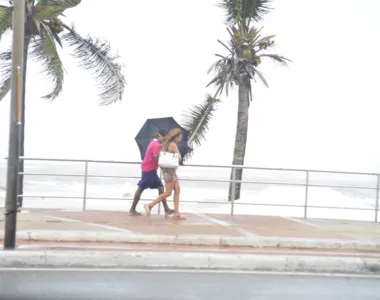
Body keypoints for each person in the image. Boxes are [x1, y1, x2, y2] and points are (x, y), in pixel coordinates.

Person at [129, 130, 174, 216]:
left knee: (156, 188)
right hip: (149, 169)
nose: (166, 139)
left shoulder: (154, 142)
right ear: (160, 136)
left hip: (148, 169)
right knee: (147, 188)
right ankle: (132, 209)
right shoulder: (156, 144)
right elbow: (157, 158)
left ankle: (166, 209)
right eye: (165, 137)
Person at [144, 128, 185, 220]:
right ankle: (150, 205)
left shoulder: (165, 145)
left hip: (168, 171)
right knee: (168, 192)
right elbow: (179, 157)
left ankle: (176, 213)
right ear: (176, 137)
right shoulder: (173, 145)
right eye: (180, 137)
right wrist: (179, 155)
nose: (180, 139)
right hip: (170, 172)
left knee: (177, 190)